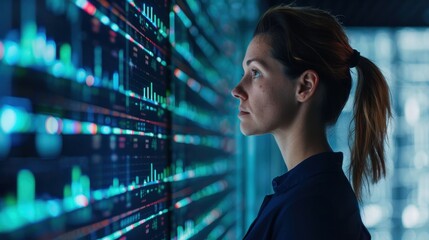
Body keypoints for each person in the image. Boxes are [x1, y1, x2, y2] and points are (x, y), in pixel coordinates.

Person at [231, 4, 392, 240]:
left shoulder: (311, 209)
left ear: (305, 86)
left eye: (255, 73)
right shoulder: (314, 196)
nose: (237, 90)